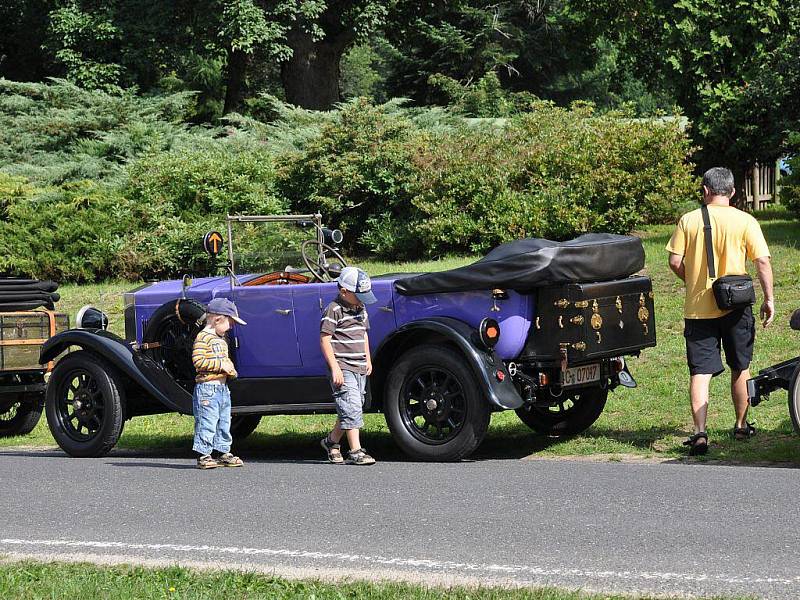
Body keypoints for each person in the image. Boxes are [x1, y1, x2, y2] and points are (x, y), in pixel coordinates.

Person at [666, 167, 774, 455]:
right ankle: (740, 424)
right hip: (736, 307)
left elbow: (675, 262)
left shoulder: (688, 220)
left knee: (700, 372)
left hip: (698, 309)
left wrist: (693, 281)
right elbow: (762, 262)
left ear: (704, 191)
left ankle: (700, 432)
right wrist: (769, 299)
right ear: (733, 192)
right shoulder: (746, 220)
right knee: (741, 366)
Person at [319, 266, 378, 465]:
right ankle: (356, 450)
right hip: (343, 366)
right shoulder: (333, 309)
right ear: (344, 291)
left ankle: (331, 442)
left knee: (352, 407)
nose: (362, 299)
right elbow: (325, 339)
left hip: (360, 365)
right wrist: (335, 367)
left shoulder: (361, 308)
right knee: (351, 407)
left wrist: (368, 359)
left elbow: (364, 334)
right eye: (359, 295)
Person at [191, 297, 247, 469]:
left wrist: (230, 369)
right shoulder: (203, 337)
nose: (231, 327)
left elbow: (223, 359)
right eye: (229, 323)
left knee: (224, 421)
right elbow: (198, 361)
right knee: (207, 421)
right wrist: (221, 365)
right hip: (208, 388)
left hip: (222, 389)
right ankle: (204, 454)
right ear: (217, 320)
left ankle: (223, 451)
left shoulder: (220, 338)